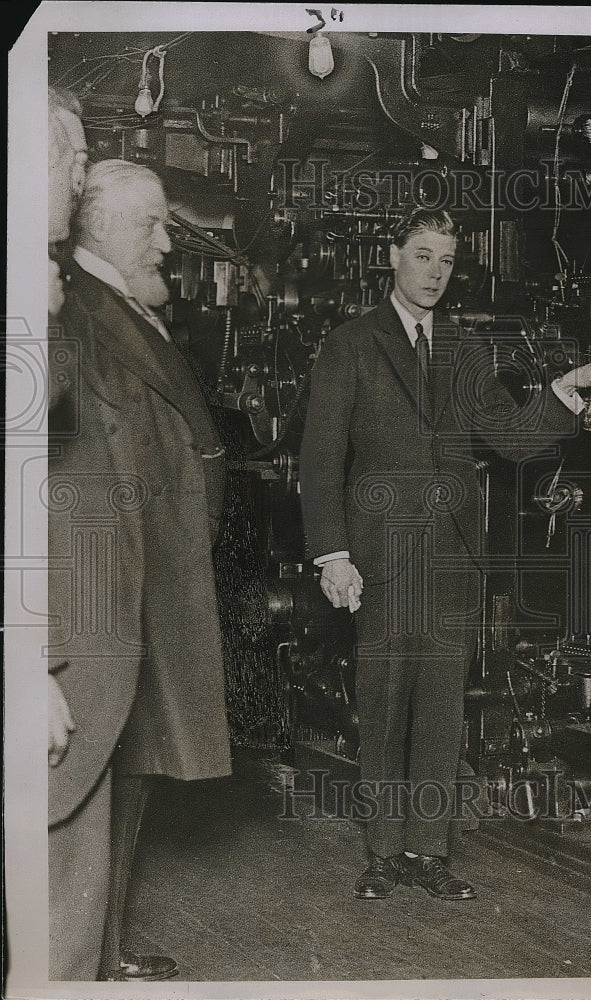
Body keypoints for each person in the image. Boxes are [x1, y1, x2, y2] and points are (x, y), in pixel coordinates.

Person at [299, 207, 591, 901]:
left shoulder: (464, 351)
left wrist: (569, 387)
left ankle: (428, 852)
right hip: (381, 557)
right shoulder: (350, 344)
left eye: (445, 261)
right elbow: (321, 461)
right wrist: (333, 555)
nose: (434, 273)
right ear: (393, 257)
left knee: (442, 711)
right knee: (384, 706)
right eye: (422, 256)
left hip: (451, 561)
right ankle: (382, 854)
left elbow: (508, 436)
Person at [49, 155, 231, 980]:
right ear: (105, 227)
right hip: (116, 585)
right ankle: (86, 954)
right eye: (152, 224)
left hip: (151, 573)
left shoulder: (116, 303)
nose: (167, 241)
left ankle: (105, 946)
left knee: (130, 769)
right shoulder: (80, 310)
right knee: (102, 772)